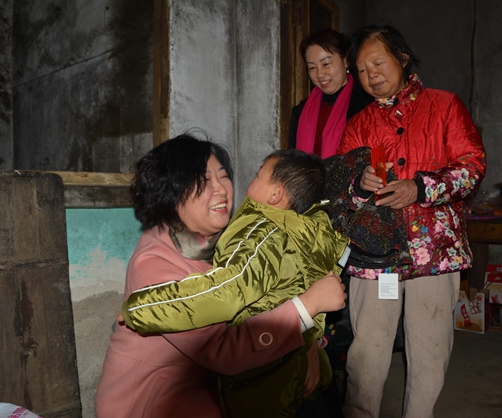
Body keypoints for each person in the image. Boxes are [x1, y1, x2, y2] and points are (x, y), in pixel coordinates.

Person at [95, 134, 347, 418]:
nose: (222, 189)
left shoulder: (232, 240)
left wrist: (308, 345)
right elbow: (226, 350)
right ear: (172, 192)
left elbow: (279, 292)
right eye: (204, 181)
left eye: (224, 177)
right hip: (155, 407)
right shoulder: (154, 262)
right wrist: (307, 307)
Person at [336, 24, 487, 418]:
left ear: (402, 59)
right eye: (361, 70)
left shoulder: (445, 105)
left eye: (378, 63)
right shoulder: (359, 123)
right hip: (377, 255)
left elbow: (472, 166)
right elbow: (340, 187)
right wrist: (359, 184)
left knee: (429, 351)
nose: (371, 75)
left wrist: (421, 188)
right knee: (367, 352)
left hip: (433, 252)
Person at [288, 28, 373, 157]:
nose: (319, 74)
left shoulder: (366, 105)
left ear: (345, 60)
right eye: (312, 67)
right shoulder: (300, 112)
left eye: (326, 64)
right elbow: (292, 160)